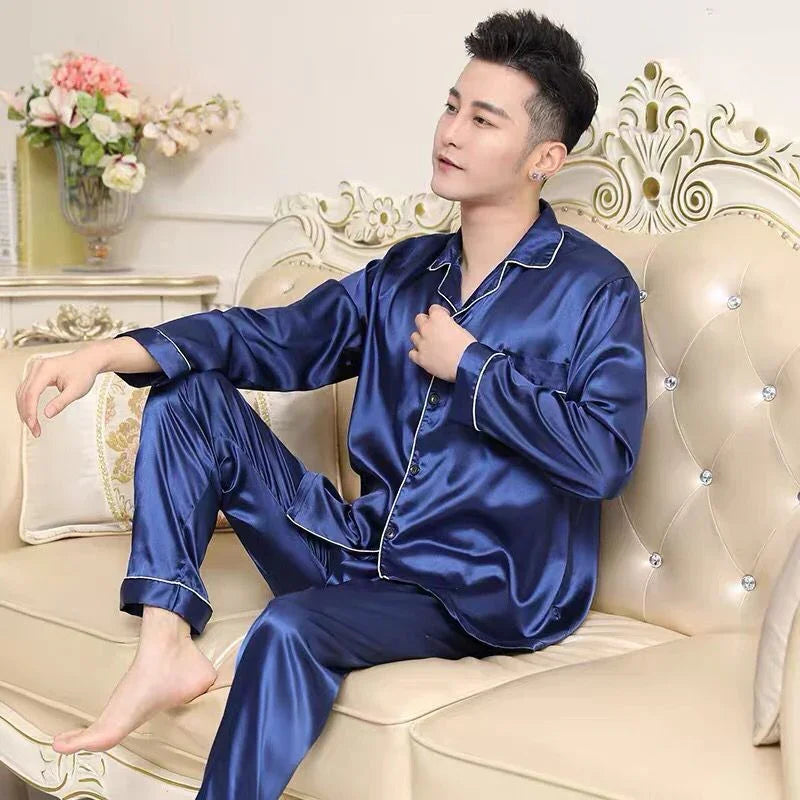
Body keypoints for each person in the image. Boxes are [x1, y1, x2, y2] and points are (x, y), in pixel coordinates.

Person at [14, 10, 646, 799]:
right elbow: (275, 338)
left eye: (483, 120)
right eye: (451, 107)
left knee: (289, 628)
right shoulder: (405, 274)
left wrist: (472, 366)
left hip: (478, 591)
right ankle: (163, 644)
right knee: (189, 394)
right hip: (358, 547)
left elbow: (604, 459)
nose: (450, 132)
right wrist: (106, 352)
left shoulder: (595, 289)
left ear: (545, 158)